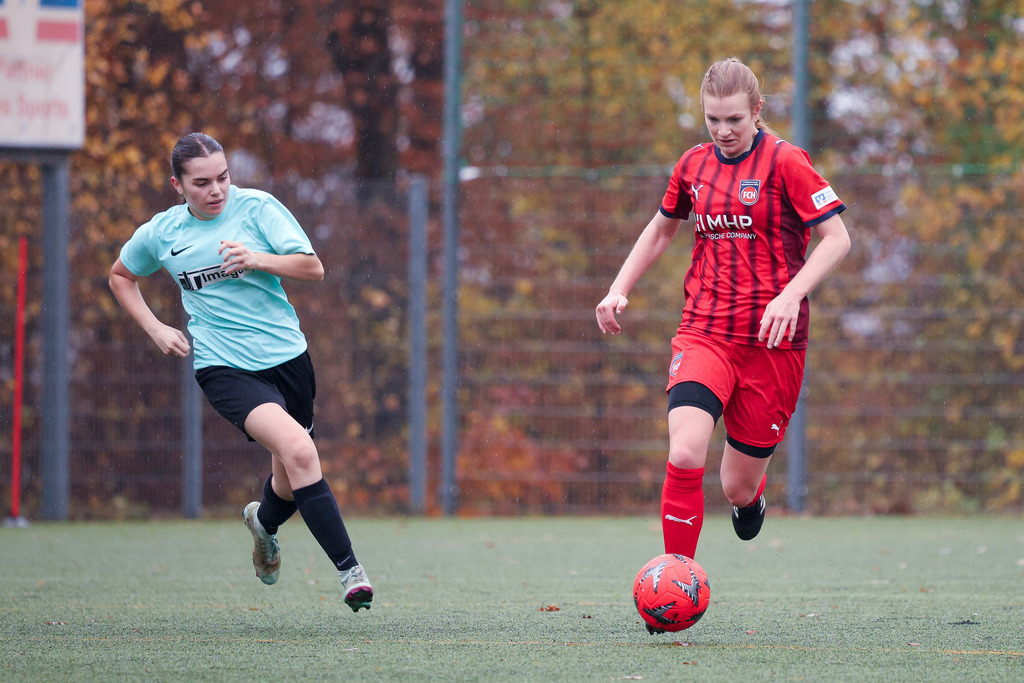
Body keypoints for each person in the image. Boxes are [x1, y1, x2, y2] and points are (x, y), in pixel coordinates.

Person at [595, 58, 851, 563]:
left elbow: (837, 239)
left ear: (757, 111)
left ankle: (751, 498)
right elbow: (663, 227)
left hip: (773, 345)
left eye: (734, 119)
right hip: (704, 332)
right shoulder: (693, 165)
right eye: (713, 119)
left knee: (735, 486)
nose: (723, 130)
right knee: (685, 451)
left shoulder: (786, 162)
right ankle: (675, 582)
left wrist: (789, 294)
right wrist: (618, 287)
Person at [109, 132, 373, 612]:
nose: (216, 190)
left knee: (290, 479)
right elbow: (121, 276)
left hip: (289, 360)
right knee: (300, 450)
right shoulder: (162, 233)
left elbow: (313, 268)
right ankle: (350, 572)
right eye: (202, 182)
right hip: (225, 367)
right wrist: (154, 327)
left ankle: (264, 526)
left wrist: (257, 259)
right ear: (178, 184)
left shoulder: (257, 209)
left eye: (223, 178)